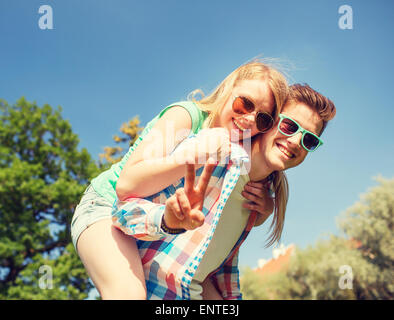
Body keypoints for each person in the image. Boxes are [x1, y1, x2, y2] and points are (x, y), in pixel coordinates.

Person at [71, 60, 289, 299]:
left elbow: (232, 216)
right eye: (244, 103)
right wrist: (195, 155)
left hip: (154, 226)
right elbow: (127, 185)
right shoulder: (187, 117)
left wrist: (265, 211)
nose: (249, 119)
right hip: (106, 207)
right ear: (228, 89)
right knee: (129, 294)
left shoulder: (237, 151)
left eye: (262, 119)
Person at [112, 83, 337, 299]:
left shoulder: (261, 196)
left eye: (309, 139)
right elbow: (123, 210)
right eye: (289, 126)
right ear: (267, 121)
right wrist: (166, 220)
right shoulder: (213, 153)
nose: (297, 141)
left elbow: (215, 265)